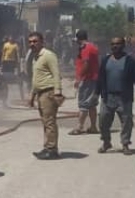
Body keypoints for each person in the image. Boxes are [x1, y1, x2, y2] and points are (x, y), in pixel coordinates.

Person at [96, 36, 135, 154]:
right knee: (103, 121)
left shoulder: (130, 61)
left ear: (123, 46)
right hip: (108, 97)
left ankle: (125, 144)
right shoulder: (106, 60)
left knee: (127, 122)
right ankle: (106, 142)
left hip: (124, 98)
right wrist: (96, 93)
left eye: (117, 44)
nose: (115, 46)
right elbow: (100, 78)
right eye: (113, 44)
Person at [29, 31, 64, 159]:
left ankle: (52, 149)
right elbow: (36, 78)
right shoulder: (35, 57)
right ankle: (47, 147)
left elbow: (56, 74)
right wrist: (32, 95)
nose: (32, 44)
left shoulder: (48, 55)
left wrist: (58, 93)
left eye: (35, 41)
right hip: (40, 93)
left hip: (48, 92)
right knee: (45, 122)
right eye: (30, 42)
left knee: (49, 122)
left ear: (42, 42)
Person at [69, 29, 100, 135]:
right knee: (91, 104)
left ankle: (79, 127)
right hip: (93, 79)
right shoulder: (92, 47)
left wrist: (78, 78)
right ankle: (93, 127)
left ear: (79, 39)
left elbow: (86, 64)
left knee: (83, 103)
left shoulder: (86, 48)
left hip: (87, 80)